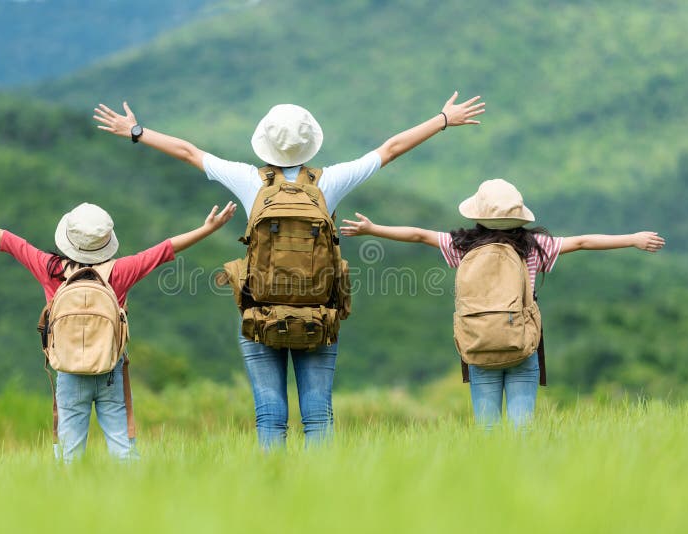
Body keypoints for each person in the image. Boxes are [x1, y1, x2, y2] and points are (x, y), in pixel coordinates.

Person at [93, 92, 485, 448]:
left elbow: (189, 152)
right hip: (320, 315)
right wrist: (443, 119)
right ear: (309, 142)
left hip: (259, 314)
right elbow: (391, 148)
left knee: (270, 417)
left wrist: (136, 130)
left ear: (264, 144)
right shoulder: (329, 182)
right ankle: (321, 501)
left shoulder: (250, 181)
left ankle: (273, 500)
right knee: (318, 416)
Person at [340, 178, 666, 428]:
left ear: (479, 216)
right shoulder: (536, 246)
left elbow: (419, 235)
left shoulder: (462, 246)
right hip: (522, 342)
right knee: (521, 430)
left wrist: (373, 229)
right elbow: (582, 242)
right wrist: (633, 239)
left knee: (488, 431)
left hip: (480, 341)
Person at [0, 194, 236, 460]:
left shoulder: (51, 268)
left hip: (69, 371)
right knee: (122, 449)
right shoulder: (120, 271)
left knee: (70, 455)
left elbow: (12, 243)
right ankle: (134, 507)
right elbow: (164, 249)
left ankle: (69, 511)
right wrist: (207, 229)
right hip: (110, 368)